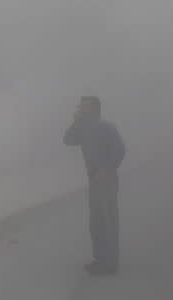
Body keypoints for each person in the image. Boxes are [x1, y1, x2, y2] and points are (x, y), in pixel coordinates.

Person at [63, 96, 125, 275]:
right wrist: (75, 122)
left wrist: (106, 169)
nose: (79, 110)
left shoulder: (106, 127)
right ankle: (100, 259)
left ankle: (110, 262)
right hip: (94, 180)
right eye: (79, 107)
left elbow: (120, 149)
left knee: (108, 219)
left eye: (83, 107)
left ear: (93, 109)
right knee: (96, 221)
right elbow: (67, 140)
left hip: (107, 180)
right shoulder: (82, 128)